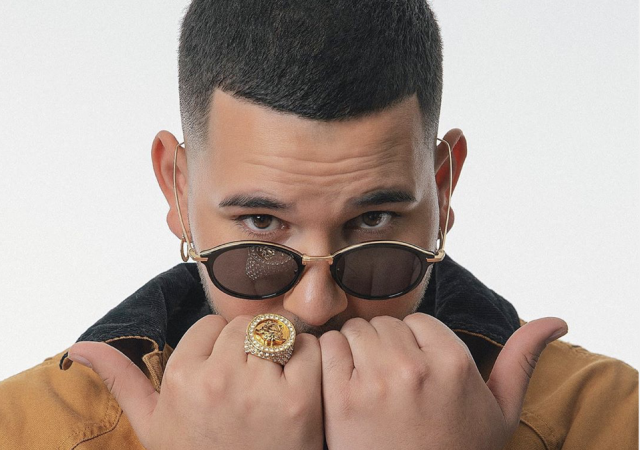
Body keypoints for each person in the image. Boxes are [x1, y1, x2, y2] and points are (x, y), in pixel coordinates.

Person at [0, 0, 637, 449]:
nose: (315, 305)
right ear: (177, 187)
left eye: (374, 220)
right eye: (261, 222)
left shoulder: (614, 421)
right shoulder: (25, 430)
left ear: (442, 188)